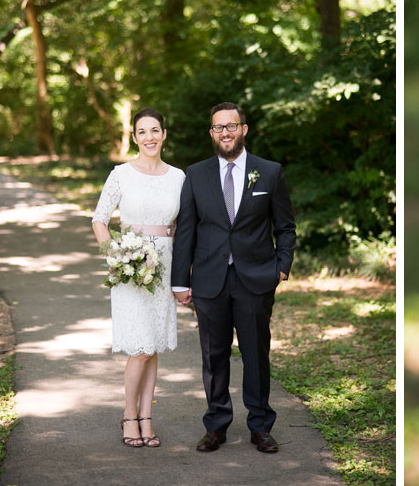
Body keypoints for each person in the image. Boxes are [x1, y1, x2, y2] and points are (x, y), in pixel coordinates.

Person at [170, 102, 296, 454]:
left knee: (256, 354)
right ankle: (216, 425)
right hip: (210, 279)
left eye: (231, 126)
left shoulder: (269, 172)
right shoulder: (195, 175)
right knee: (213, 357)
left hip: (256, 278)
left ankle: (260, 426)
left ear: (244, 129)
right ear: (211, 134)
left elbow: (285, 227)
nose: (225, 132)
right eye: (218, 128)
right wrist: (180, 281)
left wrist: (281, 268)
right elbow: (186, 232)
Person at [92, 108, 186, 448]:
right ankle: (128, 416)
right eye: (142, 131)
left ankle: (147, 417)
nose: (149, 136)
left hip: (165, 265)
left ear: (164, 135)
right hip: (130, 267)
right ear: (134, 138)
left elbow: (186, 227)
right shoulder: (120, 174)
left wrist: (184, 275)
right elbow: (100, 220)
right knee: (141, 347)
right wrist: (116, 258)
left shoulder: (178, 177)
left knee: (154, 344)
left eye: (155, 130)